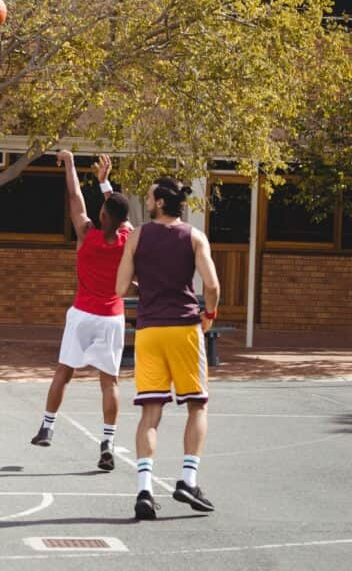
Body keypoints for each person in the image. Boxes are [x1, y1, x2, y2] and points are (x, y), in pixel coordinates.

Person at [115, 176, 221, 520]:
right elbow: (212, 285)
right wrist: (209, 315)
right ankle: (187, 480)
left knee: (150, 413)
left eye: (148, 196)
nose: (145, 201)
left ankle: (144, 490)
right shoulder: (194, 236)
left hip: (149, 330)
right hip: (184, 329)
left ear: (160, 202)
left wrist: (145, 280)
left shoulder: (137, 236)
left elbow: (120, 288)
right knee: (197, 405)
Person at [31, 152, 132, 472]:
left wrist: (71, 163)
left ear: (101, 214)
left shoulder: (86, 233)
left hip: (83, 314)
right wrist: (105, 184)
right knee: (109, 383)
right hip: (112, 317)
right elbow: (121, 213)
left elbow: (74, 196)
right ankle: (108, 443)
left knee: (64, 372)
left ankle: (47, 427)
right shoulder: (128, 238)